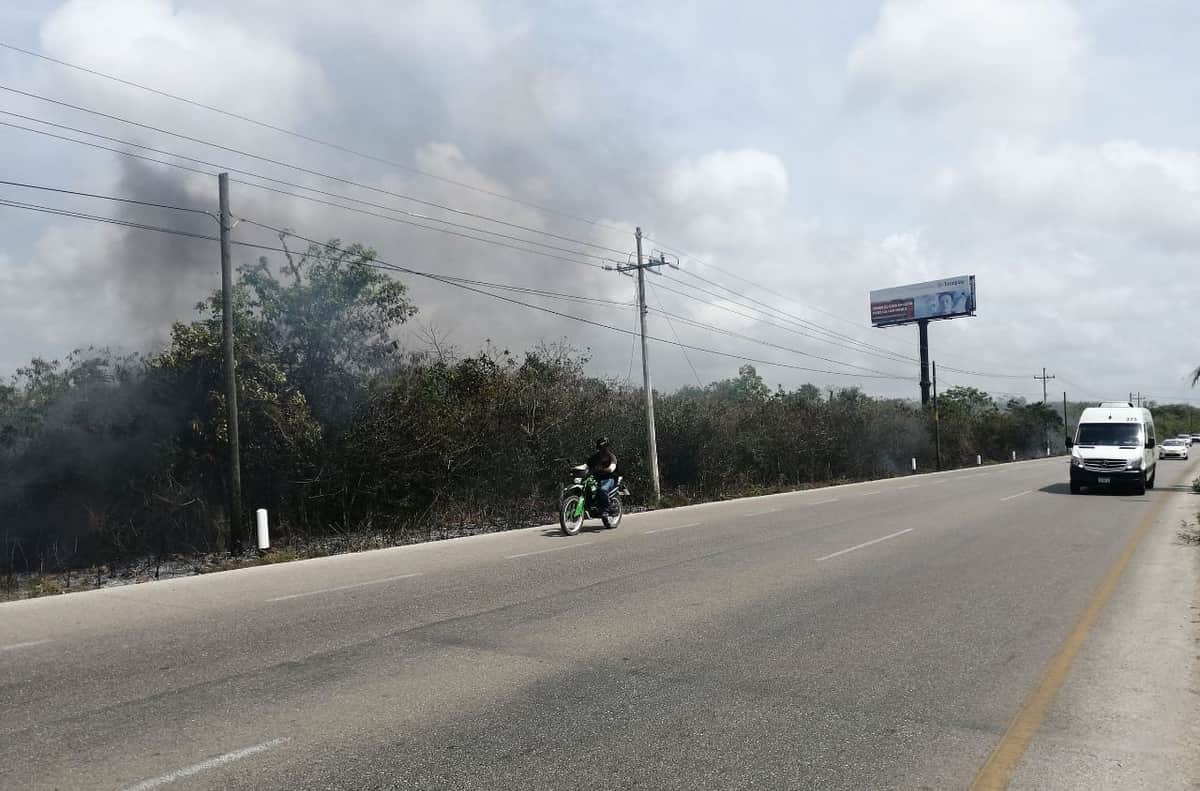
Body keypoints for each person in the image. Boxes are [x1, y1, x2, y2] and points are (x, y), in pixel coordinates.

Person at [587, 437, 618, 512]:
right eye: (601, 447)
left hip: (609, 478)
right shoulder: (594, 458)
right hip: (596, 479)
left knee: (602, 490)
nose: (603, 449)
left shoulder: (611, 456)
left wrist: (604, 469)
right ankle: (589, 507)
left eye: (604, 447)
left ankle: (605, 509)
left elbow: (612, 468)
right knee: (587, 488)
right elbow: (586, 466)